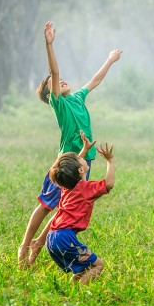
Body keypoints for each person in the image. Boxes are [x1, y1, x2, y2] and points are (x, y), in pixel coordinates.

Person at [17, 20, 122, 267]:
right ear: (49, 94)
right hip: (66, 163)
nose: (60, 80)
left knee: (66, 207)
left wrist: (110, 60)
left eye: (61, 80)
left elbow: (95, 80)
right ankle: (25, 247)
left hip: (85, 160)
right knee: (45, 205)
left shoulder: (77, 98)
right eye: (53, 83)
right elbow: (54, 72)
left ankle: (37, 249)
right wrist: (49, 44)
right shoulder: (60, 104)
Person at [44, 135, 115, 284]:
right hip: (64, 238)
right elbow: (109, 184)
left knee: (84, 268)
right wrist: (110, 161)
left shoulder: (67, 186)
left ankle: (72, 289)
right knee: (98, 265)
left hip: (52, 238)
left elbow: (70, 169)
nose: (81, 157)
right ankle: (80, 294)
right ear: (81, 169)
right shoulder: (86, 189)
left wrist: (84, 150)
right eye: (80, 158)